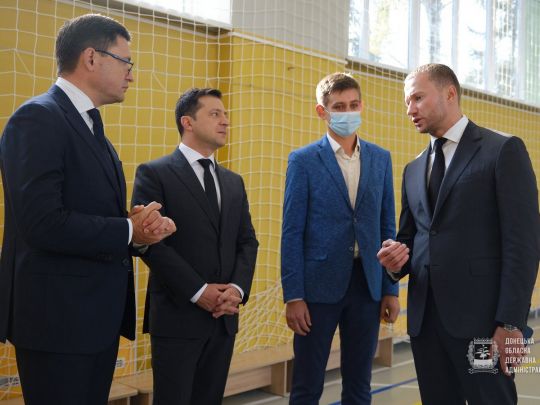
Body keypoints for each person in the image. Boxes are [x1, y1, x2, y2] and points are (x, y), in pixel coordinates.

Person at [0, 14, 176, 405]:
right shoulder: (38, 118)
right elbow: (42, 223)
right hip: (57, 322)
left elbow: (89, 213)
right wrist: (128, 231)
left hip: (94, 321)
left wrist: (138, 228)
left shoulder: (93, 129)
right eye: (126, 62)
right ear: (91, 58)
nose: (132, 75)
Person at [377, 63, 539, 405]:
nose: (410, 109)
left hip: (483, 328)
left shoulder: (502, 150)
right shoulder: (413, 169)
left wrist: (511, 323)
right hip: (425, 327)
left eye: (417, 98)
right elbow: (411, 240)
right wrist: (394, 262)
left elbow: (523, 245)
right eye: (407, 102)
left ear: (450, 93)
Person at [131, 87, 259, 405]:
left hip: (224, 317)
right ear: (187, 122)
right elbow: (150, 245)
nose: (225, 121)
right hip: (177, 317)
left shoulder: (233, 182)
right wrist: (199, 291)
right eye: (215, 114)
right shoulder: (155, 173)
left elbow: (247, 241)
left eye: (225, 114)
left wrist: (236, 289)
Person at [281, 72, 400, 404]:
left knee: (360, 385)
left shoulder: (380, 158)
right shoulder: (303, 161)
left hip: (367, 284)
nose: (348, 112)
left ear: (361, 106)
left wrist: (390, 289)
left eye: (353, 104)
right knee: (307, 385)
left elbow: (387, 228)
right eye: (339, 106)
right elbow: (291, 232)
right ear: (322, 111)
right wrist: (294, 295)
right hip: (317, 289)